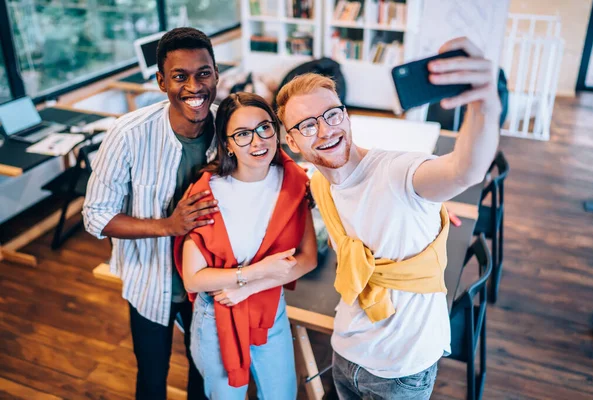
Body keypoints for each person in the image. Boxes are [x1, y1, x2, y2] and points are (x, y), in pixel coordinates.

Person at [276, 37, 500, 399]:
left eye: (331, 115)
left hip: (402, 370)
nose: (325, 131)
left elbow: (465, 170)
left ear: (346, 115)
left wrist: (485, 104)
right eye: (306, 126)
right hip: (345, 351)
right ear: (292, 141)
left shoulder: (398, 172)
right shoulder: (320, 185)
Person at [83, 27, 223, 400]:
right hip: (151, 283)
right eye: (180, 76)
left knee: (206, 374)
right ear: (162, 81)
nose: (195, 86)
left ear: (216, 74)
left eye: (203, 73)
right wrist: (168, 225)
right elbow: (96, 215)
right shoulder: (128, 134)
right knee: (151, 378)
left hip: (210, 287)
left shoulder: (230, 127)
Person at [173, 92, 318, 399]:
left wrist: (250, 286)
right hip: (217, 316)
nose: (257, 142)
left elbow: (308, 259)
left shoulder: (294, 182)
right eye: (242, 134)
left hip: (270, 310)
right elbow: (193, 277)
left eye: (264, 127)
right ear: (226, 143)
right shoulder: (206, 194)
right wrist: (256, 272)